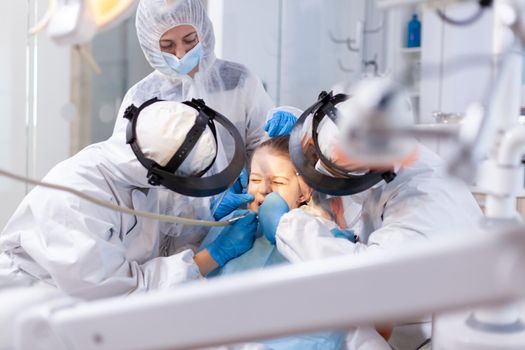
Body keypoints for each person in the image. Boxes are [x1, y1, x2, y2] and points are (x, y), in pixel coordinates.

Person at [255, 88, 484, 349]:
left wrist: (286, 226)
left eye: (280, 180)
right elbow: (337, 127)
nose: (262, 190)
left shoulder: (425, 199)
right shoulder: (370, 134)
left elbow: (366, 277)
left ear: (371, 174)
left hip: (434, 333)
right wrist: (300, 127)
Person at [0, 100, 258, 300]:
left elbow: (156, 232)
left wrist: (204, 216)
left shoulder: (137, 172)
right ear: (159, 174)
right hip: (34, 303)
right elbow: (118, 295)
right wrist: (211, 256)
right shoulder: (74, 200)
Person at [200, 136, 391, 350]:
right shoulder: (229, 227)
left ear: (305, 190)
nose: (263, 189)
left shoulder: (320, 232)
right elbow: (191, 289)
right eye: (255, 179)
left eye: (278, 182)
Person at [115, 0, 275, 218]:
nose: (180, 53)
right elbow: (128, 175)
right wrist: (193, 207)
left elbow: (268, 146)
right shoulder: (141, 98)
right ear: (150, 44)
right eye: (167, 46)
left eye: (190, 40)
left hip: (241, 218)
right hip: (170, 230)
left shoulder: (238, 82)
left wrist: (256, 178)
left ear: (204, 30)